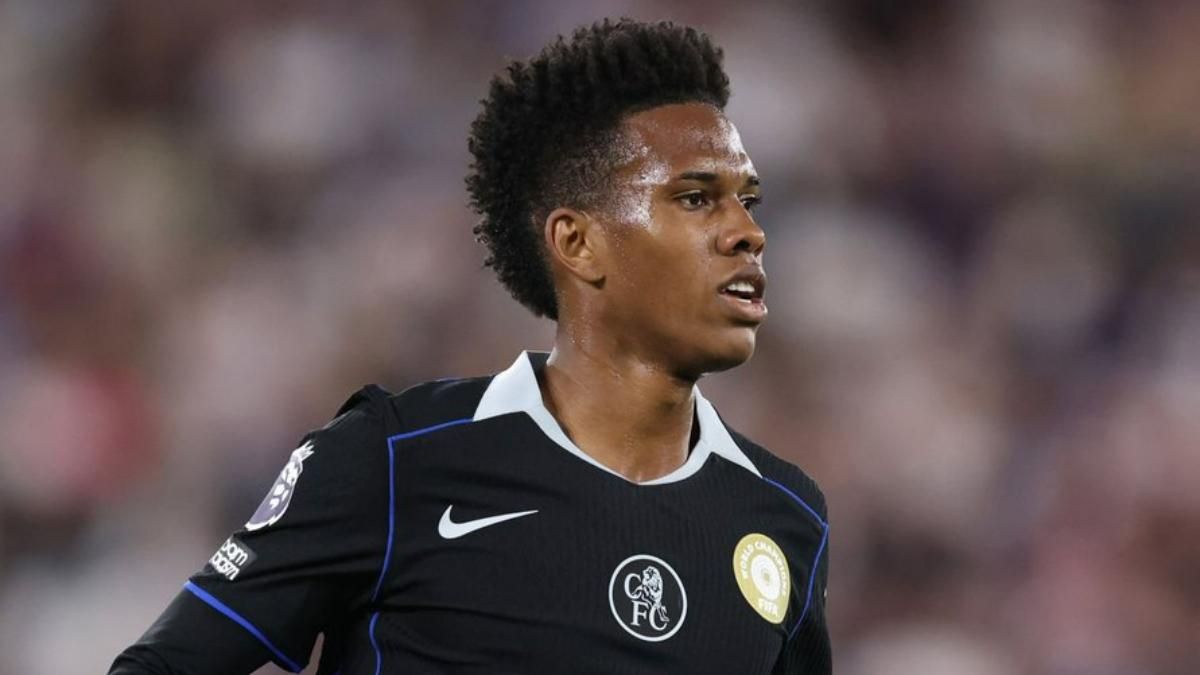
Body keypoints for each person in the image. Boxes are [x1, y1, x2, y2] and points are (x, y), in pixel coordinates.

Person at [110, 18, 830, 674]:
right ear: (578, 243)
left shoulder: (786, 518)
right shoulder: (394, 459)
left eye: (748, 200)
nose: (748, 232)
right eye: (696, 198)